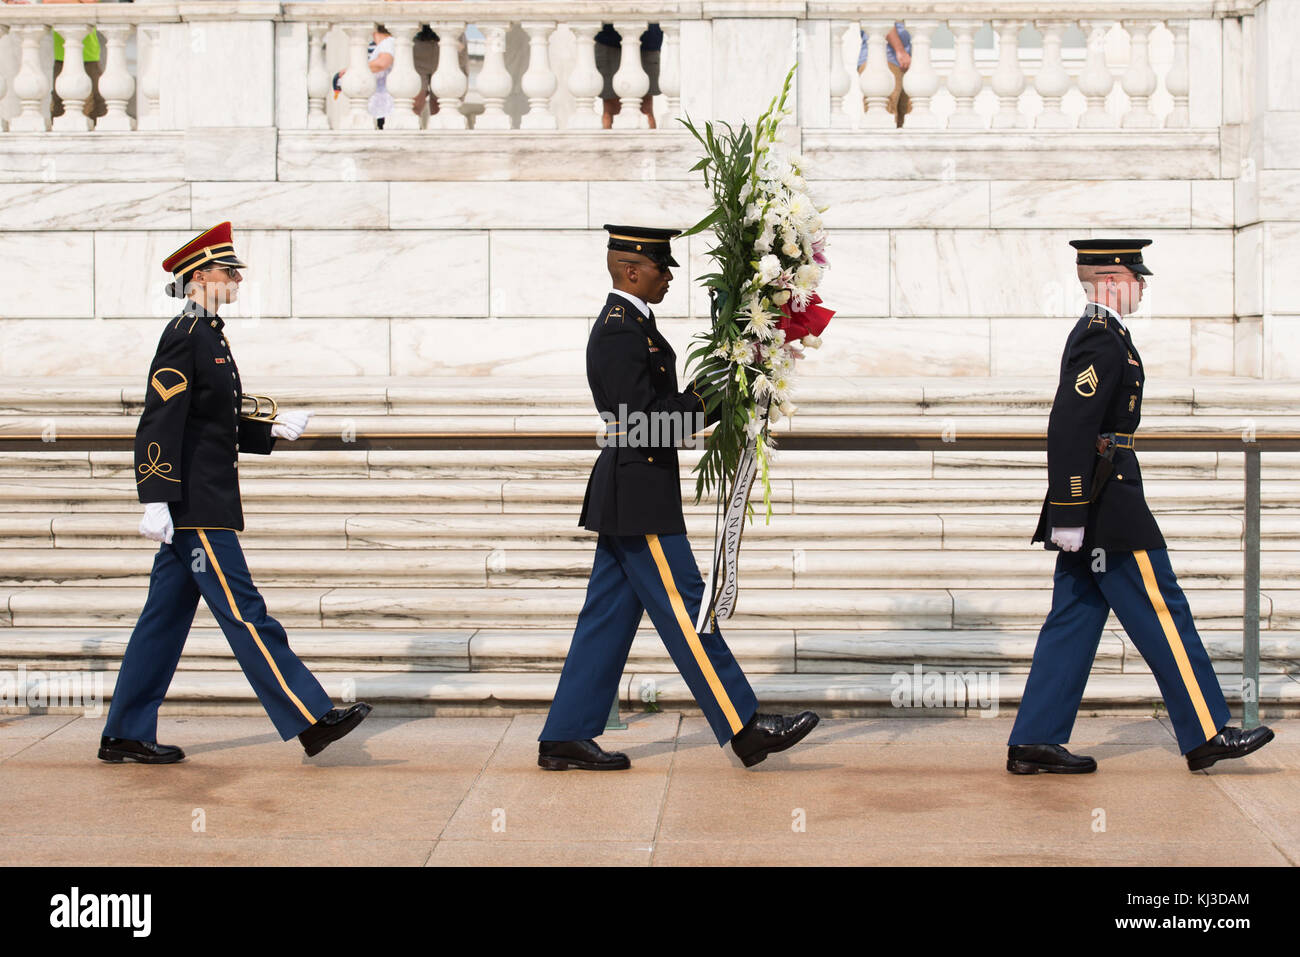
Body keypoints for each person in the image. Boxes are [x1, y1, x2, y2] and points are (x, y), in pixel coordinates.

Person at [537, 224, 820, 771]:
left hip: (634, 486)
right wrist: (717, 390)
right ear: (631, 271)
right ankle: (744, 727)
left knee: (606, 617)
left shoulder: (636, 325)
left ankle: (565, 734)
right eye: (662, 269)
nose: (669, 277)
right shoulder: (620, 331)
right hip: (636, 489)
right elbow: (644, 424)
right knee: (688, 609)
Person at [99, 222, 371, 765]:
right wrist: (154, 496)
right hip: (195, 504)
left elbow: (211, 419)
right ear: (200, 276)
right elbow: (161, 420)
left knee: (163, 621)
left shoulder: (210, 334)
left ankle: (125, 732)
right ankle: (310, 717)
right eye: (229, 272)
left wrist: (269, 430)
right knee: (246, 613)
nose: (238, 281)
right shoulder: (185, 332)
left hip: (202, 498)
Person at [1007, 238, 1275, 774]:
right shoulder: (1099, 341)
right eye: (1136, 277)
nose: (1143, 285)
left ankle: (1035, 737)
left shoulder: (1110, 337)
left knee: (1074, 618)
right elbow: (1070, 426)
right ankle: (1206, 732)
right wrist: (1070, 509)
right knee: (1163, 609)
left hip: (1105, 497)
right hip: (1110, 504)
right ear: (1111, 281)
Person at [595, 23, 660, 129]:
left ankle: (648, 146)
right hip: (608, 37)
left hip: (648, 38)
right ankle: (609, 145)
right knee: (611, 109)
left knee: (645, 110)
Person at [336, 24, 395, 128]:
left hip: (386, 107)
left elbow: (383, 63)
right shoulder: (382, 44)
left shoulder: (388, 42)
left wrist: (355, 67)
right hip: (379, 107)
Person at [857, 22, 911, 127]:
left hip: (905, 61)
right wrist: (900, 51)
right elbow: (883, 19)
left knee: (904, 121)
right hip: (885, 58)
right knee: (884, 116)